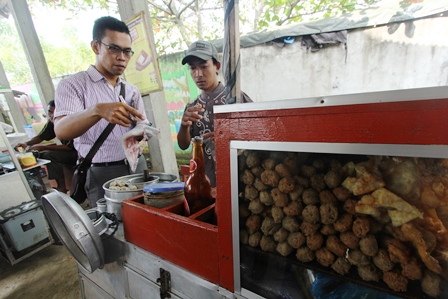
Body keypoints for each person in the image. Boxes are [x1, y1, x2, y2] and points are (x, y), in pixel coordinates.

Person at [53, 16, 148, 207]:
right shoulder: (73, 85)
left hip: (137, 165)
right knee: (112, 226)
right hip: (101, 172)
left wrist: (142, 134)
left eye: (127, 51)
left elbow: (142, 128)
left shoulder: (131, 90)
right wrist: (97, 111)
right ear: (96, 47)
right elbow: (61, 130)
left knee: (145, 218)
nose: (122, 57)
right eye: (114, 48)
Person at [177, 40, 253, 191]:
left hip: (237, 178)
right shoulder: (192, 107)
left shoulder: (236, 98)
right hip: (205, 181)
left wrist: (227, 136)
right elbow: (184, 145)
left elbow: (256, 132)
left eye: (204, 66)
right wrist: (184, 125)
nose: (198, 74)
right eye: (192, 68)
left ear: (216, 66)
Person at [15, 100, 78, 193]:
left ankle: (62, 187)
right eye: (50, 111)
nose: (52, 115)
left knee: (50, 155)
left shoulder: (69, 122)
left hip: (80, 153)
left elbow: (70, 147)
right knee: (39, 155)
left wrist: (44, 147)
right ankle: (37, 187)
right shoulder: (52, 123)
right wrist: (26, 143)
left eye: (55, 112)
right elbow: (41, 136)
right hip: (71, 151)